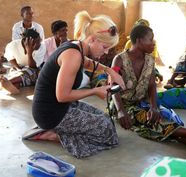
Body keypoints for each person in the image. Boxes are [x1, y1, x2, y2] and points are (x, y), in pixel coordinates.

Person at [29, 11, 126, 159]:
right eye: (105, 47)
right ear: (92, 39)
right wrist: (95, 91)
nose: (106, 52)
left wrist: (110, 71)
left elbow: (87, 63)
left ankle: (60, 131)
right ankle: (54, 135)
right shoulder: (73, 55)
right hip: (50, 113)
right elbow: (62, 96)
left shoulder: (77, 46)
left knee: (107, 121)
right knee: (108, 136)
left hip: (61, 106)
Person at [111, 24, 186, 157]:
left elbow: (151, 86)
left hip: (142, 103)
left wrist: (154, 107)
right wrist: (121, 111)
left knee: (162, 117)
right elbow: (113, 87)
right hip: (122, 105)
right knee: (148, 120)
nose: (153, 43)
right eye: (150, 39)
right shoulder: (119, 59)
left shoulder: (150, 60)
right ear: (139, 41)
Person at [0, 29, 46, 94]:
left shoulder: (42, 47)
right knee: (16, 74)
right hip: (19, 67)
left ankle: (8, 82)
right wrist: (17, 67)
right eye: (36, 42)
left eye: (39, 40)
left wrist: (29, 52)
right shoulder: (13, 45)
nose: (39, 43)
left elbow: (33, 66)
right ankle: (13, 88)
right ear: (26, 41)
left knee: (31, 73)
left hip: (34, 69)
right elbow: (10, 57)